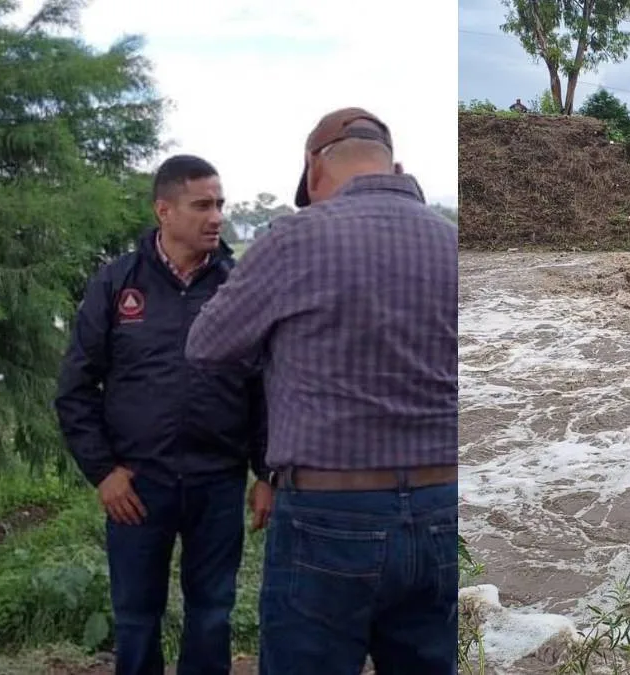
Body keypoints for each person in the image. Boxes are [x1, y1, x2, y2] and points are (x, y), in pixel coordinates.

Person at [185, 108, 458, 674]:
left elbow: (206, 345)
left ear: (314, 170)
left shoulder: (293, 239)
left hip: (328, 513)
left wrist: (279, 348)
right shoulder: (450, 242)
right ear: (394, 168)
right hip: (445, 504)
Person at [54, 154, 273, 675]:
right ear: (164, 211)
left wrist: (266, 473)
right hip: (137, 485)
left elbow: (265, 385)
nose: (216, 217)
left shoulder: (238, 286)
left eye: (219, 204)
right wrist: (103, 473)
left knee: (213, 613)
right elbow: (75, 389)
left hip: (217, 481)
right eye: (202, 205)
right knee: (135, 617)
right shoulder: (117, 284)